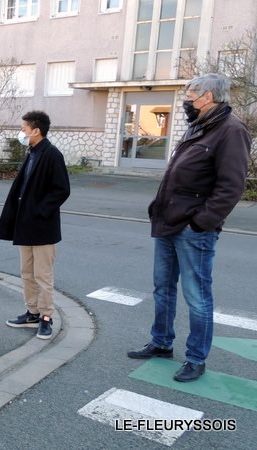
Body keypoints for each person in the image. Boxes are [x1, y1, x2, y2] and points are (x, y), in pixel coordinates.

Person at [127, 73, 250, 382]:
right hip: (169, 222)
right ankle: (161, 342)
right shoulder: (198, 126)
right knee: (163, 288)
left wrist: (202, 223)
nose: (185, 101)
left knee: (198, 297)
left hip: (193, 228)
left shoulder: (231, 131)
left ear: (207, 97)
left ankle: (196, 358)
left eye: (189, 95)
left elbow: (231, 187)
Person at [0, 111, 70, 340]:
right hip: (25, 225)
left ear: (36, 130)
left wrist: (39, 211)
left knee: (43, 275)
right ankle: (32, 312)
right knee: (27, 273)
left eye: (24, 128)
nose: (22, 132)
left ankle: (46, 317)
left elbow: (62, 190)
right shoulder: (32, 152)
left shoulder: (51, 154)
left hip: (42, 227)